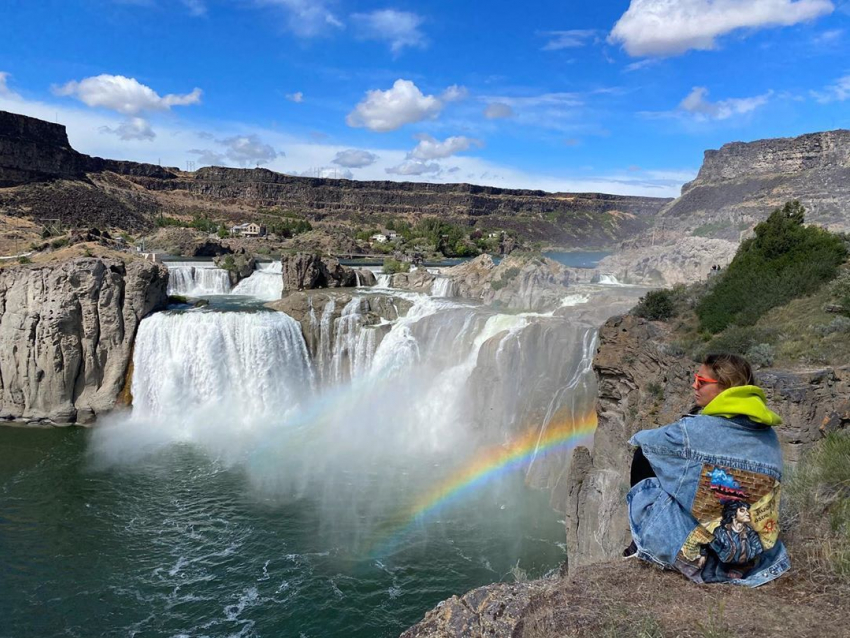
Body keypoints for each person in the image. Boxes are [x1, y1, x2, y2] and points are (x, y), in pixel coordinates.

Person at [625, 353, 789, 586]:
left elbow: (643, 441)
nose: (694, 386)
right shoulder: (769, 435)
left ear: (726, 387)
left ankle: (641, 541)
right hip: (756, 549)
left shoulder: (695, 429)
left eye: (702, 382)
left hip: (701, 542)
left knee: (646, 456)